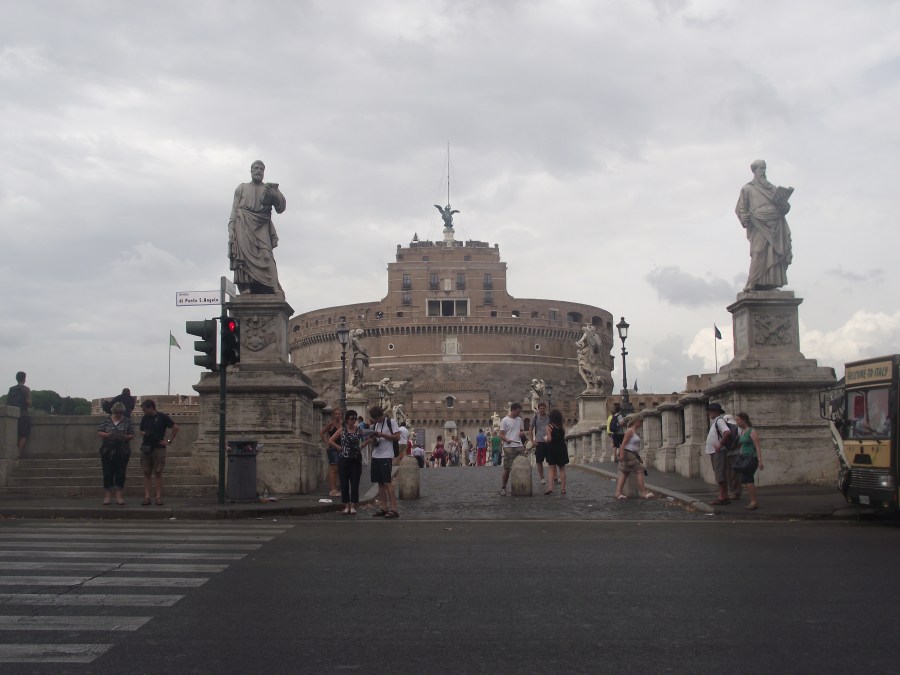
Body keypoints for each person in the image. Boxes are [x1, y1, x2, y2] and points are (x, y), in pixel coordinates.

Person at [228, 160, 286, 294]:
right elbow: (234, 209)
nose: (258, 170)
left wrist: (275, 195)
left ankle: (274, 287)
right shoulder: (241, 188)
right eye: (256, 168)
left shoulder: (269, 188)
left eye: (261, 169)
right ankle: (246, 286)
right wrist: (231, 228)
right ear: (251, 170)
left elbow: (281, 208)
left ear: (264, 172)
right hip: (243, 223)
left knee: (267, 255)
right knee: (243, 255)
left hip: (262, 225)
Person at [735, 159, 793, 291]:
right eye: (761, 168)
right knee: (759, 251)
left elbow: (784, 208)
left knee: (773, 252)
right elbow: (741, 208)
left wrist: (784, 204)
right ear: (754, 170)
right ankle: (753, 281)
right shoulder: (747, 188)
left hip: (776, 223)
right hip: (758, 223)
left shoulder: (772, 188)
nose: (763, 171)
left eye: (764, 168)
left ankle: (771, 282)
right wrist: (744, 218)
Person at [138, 399, 179, 506]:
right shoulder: (144, 418)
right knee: (146, 472)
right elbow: (141, 430)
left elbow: (175, 427)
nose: (144, 412)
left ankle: (158, 497)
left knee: (158, 472)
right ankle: (147, 497)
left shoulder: (162, 417)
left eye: (145, 409)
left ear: (151, 407)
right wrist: (145, 433)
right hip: (146, 447)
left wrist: (169, 441)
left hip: (158, 447)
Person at [328, 409, 365, 515]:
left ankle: (353, 505)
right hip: (344, 459)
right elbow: (331, 440)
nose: (353, 421)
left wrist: (362, 446)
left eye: (355, 418)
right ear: (347, 419)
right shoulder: (342, 430)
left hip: (356, 459)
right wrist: (338, 447)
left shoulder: (359, 430)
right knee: (344, 483)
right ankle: (346, 505)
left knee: (354, 483)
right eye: (351, 419)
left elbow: (368, 438)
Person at [98, 401, 134, 505]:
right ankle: (107, 496)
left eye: (120, 413)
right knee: (108, 473)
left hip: (122, 451)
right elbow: (99, 432)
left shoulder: (127, 421)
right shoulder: (106, 420)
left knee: (120, 473)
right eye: (117, 412)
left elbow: (132, 434)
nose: (118, 415)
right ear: (113, 411)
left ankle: (119, 496)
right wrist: (108, 435)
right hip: (107, 450)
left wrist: (125, 436)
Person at [368, 406, 401, 518]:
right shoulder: (376, 425)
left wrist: (382, 435)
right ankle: (383, 508)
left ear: (379, 416)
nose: (375, 421)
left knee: (387, 482)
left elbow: (397, 437)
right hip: (376, 455)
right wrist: (373, 438)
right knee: (380, 483)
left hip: (386, 456)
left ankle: (394, 509)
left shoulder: (391, 422)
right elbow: (377, 440)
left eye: (376, 418)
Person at [613, 415, 655, 500]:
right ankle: (643, 492)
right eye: (640, 422)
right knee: (639, 471)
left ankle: (618, 493)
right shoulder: (630, 431)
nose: (641, 424)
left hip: (631, 454)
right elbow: (624, 443)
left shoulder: (634, 431)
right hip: (628, 454)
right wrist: (621, 454)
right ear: (636, 422)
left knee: (625, 473)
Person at [734, 412, 764, 511]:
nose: (736, 422)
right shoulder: (742, 432)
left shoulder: (752, 431)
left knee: (748, 479)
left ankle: (753, 502)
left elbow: (757, 446)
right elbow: (742, 445)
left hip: (751, 458)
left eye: (738, 420)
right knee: (746, 480)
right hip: (743, 458)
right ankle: (752, 500)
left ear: (744, 420)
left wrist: (760, 461)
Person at [705, 402, 733, 506]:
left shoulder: (720, 421)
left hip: (718, 452)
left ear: (716, 412)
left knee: (720, 475)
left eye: (711, 411)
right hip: (715, 452)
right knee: (720, 474)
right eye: (709, 411)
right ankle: (724, 496)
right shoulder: (716, 422)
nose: (709, 413)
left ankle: (721, 497)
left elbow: (727, 432)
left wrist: (720, 444)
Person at [498, 402, 526, 496]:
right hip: (509, 447)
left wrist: (522, 433)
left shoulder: (519, 420)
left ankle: (521, 486)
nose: (519, 413)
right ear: (513, 410)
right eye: (518, 412)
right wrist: (506, 439)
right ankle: (503, 488)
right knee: (507, 468)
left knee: (523, 466)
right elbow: (501, 434)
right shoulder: (505, 420)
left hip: (519, 446)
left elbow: (521, 430)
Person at [543, 409, 569, 495]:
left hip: (552, 448)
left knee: (551, 469)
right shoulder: (562, 425)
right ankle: (563, 488)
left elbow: (549, 439)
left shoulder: (549, 427)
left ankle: (550, 488)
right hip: (561, 448)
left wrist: (546, 440)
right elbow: (563, 436)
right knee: (562, 469)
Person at [320, 409, 343, 497]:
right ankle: (333, 490)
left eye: (339, 413)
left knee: (341, 468)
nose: (337, 415)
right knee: (334, 468)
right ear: (333, 415)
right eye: (336, 414)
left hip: (342, 447)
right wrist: (326, 443)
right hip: (333, 448)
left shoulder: (343, 425)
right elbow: (321, 433)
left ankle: (338, 487)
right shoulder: (331, 424)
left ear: (341, 415)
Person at [7, 371, 32, 453]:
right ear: (24, 379)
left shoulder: (11, 389)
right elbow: (28, 402)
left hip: (12, 414)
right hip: (23, 414)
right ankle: (18, 452)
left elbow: (8, 402)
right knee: (24, 434)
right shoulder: (26, 389)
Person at [531, 402, 550, 485]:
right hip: (539, 442)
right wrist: (532, 441)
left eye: (543, 408)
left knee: (552, 461)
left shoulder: (549, 418)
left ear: (545, 408)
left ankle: (555, 477)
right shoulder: (535, 417)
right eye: (540, 408)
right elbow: (530, 429)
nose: (542, 409)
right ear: (538, 409)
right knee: (539, 461)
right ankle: (542, 478)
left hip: (549, 442)